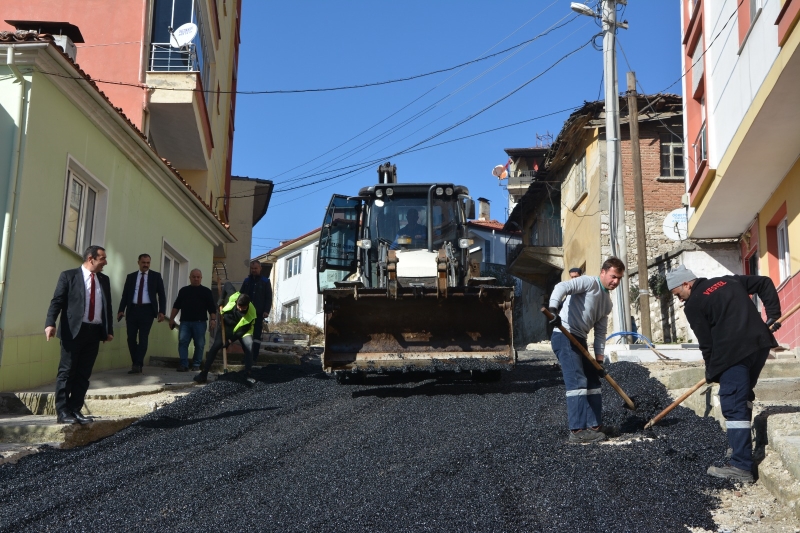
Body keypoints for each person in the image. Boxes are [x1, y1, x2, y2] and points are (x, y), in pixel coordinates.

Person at [668, 265, 781, 483]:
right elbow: (764, 282)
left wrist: (711, 371)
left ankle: (741, 465)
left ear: (686, 284)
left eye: (677, 294)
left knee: (733, 402)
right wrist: (773, 315)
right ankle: (739, 447)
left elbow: (706, 343)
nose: (679, 299)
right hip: (759, 345)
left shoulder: (694, 304)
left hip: (733, 354)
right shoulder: (728, 280)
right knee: (743, 396)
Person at [548, 257, 625, 443]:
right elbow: (561, 287)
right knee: (577, 381)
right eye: (613, 276)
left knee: (593, 381)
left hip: (580, 339)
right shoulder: (588, 282)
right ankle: (577, 431)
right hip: (564, 336)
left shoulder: (607, 304)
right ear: (603, 272)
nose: (615, 281)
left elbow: (600, 333)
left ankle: (594, 426)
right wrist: (553, 309)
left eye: (619, 278)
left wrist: (599, 361)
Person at [45, 245, 114, 425]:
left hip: (94, 332)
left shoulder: (104, 280)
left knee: (84, 373)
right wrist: (50, 323)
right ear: (91, 259)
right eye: (102, 259)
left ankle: (75, 409)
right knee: (67, 372)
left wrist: (109, 330)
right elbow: (57, 301)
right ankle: (62, 412)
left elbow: (107, 306)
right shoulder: (69, 276)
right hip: (73, 331)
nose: (105, 263)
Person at [193, 292, 257, 386]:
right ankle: (204, 373)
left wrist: (230, 341)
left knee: (249, 345)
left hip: (243, 329)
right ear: (236, 302)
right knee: (215, 346)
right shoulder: (234, 296)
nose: (240, 309)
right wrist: (221, 299)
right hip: (227, 326)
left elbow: (242, 331)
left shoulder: (252, 312)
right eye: (239, 307)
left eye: (243, 308)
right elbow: (227, 285)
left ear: (248, 305)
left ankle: (248, 374)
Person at [117, 254, 167, 374]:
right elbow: (125, 295)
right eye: (143, 262)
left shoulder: (156, 276)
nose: (146, 265)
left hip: (147, 311)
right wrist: (121, 310)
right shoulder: (131, 277)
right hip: (132, 310)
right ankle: (136, 362)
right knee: (131, 338)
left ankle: (137, 364)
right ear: (138, 262)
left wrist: (162, 311)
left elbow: (162, 295)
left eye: (148, 263)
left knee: (143, 338)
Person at [169, 269, 217, 371]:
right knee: (183, 342)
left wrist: (213, 320)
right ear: (190, 278)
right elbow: (176, 306)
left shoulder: (206, 292)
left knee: (199, 344)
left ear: (201, 278)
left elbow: (212, 308)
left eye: (198, 277)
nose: (196, 279)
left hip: (200, 323)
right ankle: (183, 364)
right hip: (185, 322)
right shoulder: (183, 291)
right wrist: (171, 319)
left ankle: (196, 364)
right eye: (194, 277)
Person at [241, 260, 273, 361]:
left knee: (256, 337)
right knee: (245, 335)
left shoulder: (265, 281)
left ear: (260, 268)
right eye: (252, 268)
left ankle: (253, 358)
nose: (254, 270)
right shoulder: (247, 281)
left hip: (258, 314)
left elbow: (268, 297)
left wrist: (266, 310)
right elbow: (241, 295)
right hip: (246, 313)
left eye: (256, 268)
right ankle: (247, 355)